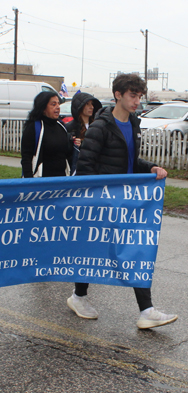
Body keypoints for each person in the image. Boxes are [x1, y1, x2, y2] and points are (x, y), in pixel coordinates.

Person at [67, 73, 178, 329]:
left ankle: (146, 310)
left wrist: (150, 168)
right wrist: (99, 199)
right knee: (94, 251)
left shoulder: (134, 124)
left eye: (140, 96)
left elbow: (128, 162)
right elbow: (85, 168)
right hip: (104, 203)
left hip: (126, 202)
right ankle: (78, 296)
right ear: (118, 95)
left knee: (136, 249)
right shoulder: (100, 126)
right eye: (133, 95)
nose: (137, 100)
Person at [21, 91, 75, 178]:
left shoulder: (61, 126)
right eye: (53, 104)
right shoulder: (34, 128)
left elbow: (67, 154)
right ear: (43, 108)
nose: (57, 107)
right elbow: (26, 158)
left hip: (61, 181)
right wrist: (29, 182)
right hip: (41, 182)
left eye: (58, 104)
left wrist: (74, 144)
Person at [65, 93, 102, 174]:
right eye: (87, 104)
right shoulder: (70, 127)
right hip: (77, 170)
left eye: (92, 104)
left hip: (95, 168)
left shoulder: (97, 126)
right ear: (80, 106)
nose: (91, 107)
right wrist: (72, 143)